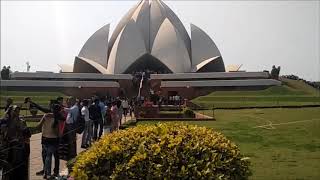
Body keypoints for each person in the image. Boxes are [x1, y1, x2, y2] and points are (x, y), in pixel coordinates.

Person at [4, 105, 31, 180]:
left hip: (19, 148)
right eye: (15, 111)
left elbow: (28, 135)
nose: (17, 112)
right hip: (9, 149)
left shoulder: (22, 122)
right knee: (9, 168)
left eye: (18, 111)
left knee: (19, 168)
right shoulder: (6, 123)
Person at [37, 104, 60, 179]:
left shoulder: (46, 115)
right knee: (49, 156)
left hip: (44, 138)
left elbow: (38, 126)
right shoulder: (57, 118)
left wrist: (44, 129)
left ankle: (45, 172)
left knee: (45, 155)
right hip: (53, 139)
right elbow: (56, 132)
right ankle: (49, 173)